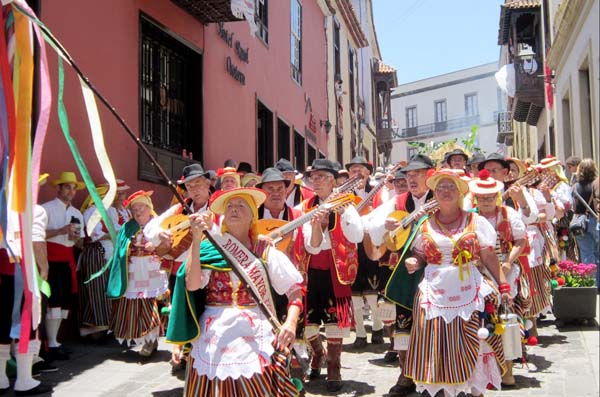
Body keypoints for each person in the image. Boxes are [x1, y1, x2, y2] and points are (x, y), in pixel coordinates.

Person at [166, 187, 304, 396]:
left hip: (255, 330)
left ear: (252, 215)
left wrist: (291, 323)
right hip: (214, 331)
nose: (234, 210)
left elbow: (294, 290)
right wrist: (195, 238)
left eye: (241, 205)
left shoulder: (265, 251)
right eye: (229, 206)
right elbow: (192, 285)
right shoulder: (208, 248)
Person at [403, 169, 510, 397]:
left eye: (451, 187)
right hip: (434, 289)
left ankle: (476, 391)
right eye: (441, 187)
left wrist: (504, 285)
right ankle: (444, 390)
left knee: (473, 341)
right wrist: (415, 260)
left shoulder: (475, 220)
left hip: (469, 287)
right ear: (434, 193)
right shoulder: (425, 224)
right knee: (437, 345)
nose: (445, 191)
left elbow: (488, 255)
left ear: (460, 192)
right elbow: (420, 253)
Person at [363, 154, 434, 396]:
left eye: (417, 174)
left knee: (431, 324)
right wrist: (387, 227)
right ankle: (406, 376)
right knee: (403, 325)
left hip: (435, 266)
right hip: (405, 268)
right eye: (409, 175)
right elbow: (374, 225)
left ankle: (430, 378)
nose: (412, 179)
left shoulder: (442, 195)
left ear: (430, 174)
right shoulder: (400, 200)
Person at [299, 159, 363, 392]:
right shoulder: (305, 206)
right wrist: (317, 226)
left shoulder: (347, 203)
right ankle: (318, 353)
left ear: (334, 181)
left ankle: (334, 367)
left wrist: (344, 211)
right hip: (311, 268)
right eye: (313, 177)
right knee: (308, 321)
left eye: (322, 177)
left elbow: (356, 235)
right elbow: (312, 246)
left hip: (338, 269)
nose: (316, 182)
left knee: (335, 321)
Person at [144, 163, 214, 368]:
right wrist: (160, 235)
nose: (194, 189)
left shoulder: (217, 207)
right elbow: (150, 227)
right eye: (190, 186)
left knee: (205, 311)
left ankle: (203, 353)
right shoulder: (179, 208)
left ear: (207, 183)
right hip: (180, 269)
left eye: (198, 183)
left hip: (208, 269)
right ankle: (185, 352)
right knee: (182, 311)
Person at [469, 170, 529, 387]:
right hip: (477, 273)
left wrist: (508, 262)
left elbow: (521, 242)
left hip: (505, 269)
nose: (485, 202)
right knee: (482, 320)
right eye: (481, 198)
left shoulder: (509, 214)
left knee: (507, 318)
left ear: (496, 197)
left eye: (489, 198)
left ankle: (508, 369)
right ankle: (484, 370)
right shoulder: (470, 217)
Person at [0, 176, 53, 395]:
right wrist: (44, 268)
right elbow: (37, 241)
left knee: (2, 321)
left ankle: (1, 379)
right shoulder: (34, 209)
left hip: (2, 268)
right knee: (27, 320)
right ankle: (24, 380)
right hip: (23, 269)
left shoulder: (2, 203)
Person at [106, 190, 169, 357]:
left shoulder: (159, 225)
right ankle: (143, 339)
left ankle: (151, 341)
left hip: (153, 271)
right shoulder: (128, 227)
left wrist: (155, 246)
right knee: (135, 306)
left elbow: (170, 247)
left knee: (151, 305)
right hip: (133, 272)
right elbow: (120, 249)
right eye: (134, 209)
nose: (138, 211)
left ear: (149, 208)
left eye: (141, 207)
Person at [41, 171, 85, 361]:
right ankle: (49, 343)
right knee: (53, 300)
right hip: (49, 259)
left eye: (74, 188)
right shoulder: (45, 209)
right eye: (67, 186)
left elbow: (81, 243)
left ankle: (55, 342)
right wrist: (61, 230)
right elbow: (37, 236)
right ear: (58, 188)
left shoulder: (76, 213)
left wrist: (76, 239)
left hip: (67, 258)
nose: (71, 191)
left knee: (64, 301)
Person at [78, 180, 130, 338]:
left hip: (110, 254)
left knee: (105, 290)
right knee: (96, 291)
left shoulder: (111, 211)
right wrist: (118, 235)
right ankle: (94, 329)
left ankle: (102, 328)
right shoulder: (91, 212)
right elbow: (94, 235)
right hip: (96, 253)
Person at [344, 156, 385, 348]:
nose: (357, 173)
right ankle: (360, 332)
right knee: (354, 291)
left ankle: (377, 328)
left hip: (370, 242)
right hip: (350, 244)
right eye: (353, 170)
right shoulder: (344, 193)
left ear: (368, 173)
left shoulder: (378, 192)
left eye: (360, 169)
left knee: (372, 289)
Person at [572, 159, 599, 285]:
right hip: (595, 219)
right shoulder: (596, 184)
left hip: (579, 221)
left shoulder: (576, 186)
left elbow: (573, 206)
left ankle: (591, 283)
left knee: (586, 252)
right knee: (597, 252)